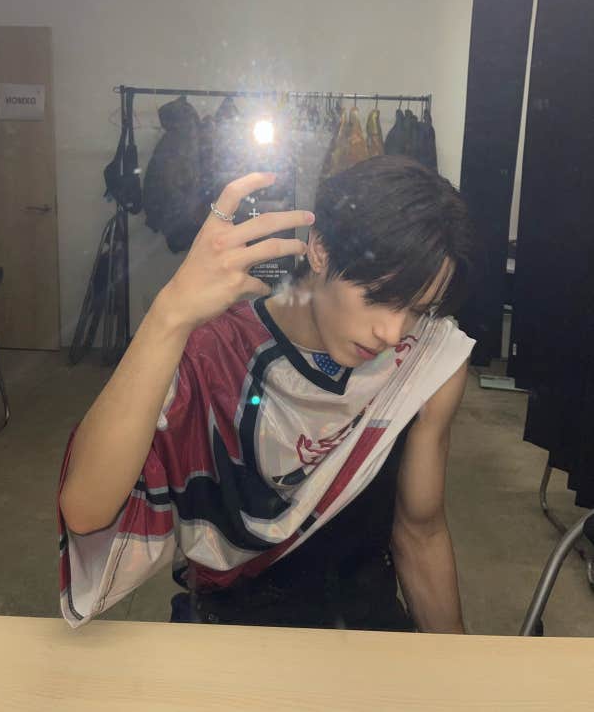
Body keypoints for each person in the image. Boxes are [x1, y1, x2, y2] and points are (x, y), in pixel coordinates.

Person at [58, 156, 475, 633]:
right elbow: (86, 510)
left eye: (418, 310)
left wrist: (455, 664)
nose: (393, 332)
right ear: (321, 249)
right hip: (230, 630)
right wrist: (169, 315)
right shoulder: (213, 353)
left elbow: (420, 532)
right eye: (379, 297)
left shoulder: (424, 362)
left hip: (366, 632)